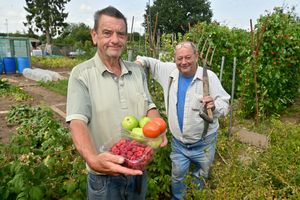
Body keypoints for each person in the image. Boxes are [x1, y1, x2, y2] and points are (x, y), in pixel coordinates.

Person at [66, 6, 167, 200]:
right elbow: (77, 121)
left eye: (121, 34)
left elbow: (149, 106)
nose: (115, 39)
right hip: (105, 177)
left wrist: (157, 127)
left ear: (126, 39)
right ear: (94, 36)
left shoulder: (137, 72)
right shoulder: (82, 74)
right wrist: (93, 159)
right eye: (107, 33)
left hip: (138, 168)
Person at [136, 41, 230, 200]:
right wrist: (139, 62)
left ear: (197, 56)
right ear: (175, 59)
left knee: (201, 175)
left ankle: (196, 196)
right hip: (179, 144)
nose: (183, 62)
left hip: (204, 143)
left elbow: (225, 103)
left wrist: (214, 106)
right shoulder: (169, 72)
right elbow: (150, 62)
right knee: (178, 177)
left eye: (188, 57)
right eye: (179, 58)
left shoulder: (208, 77)